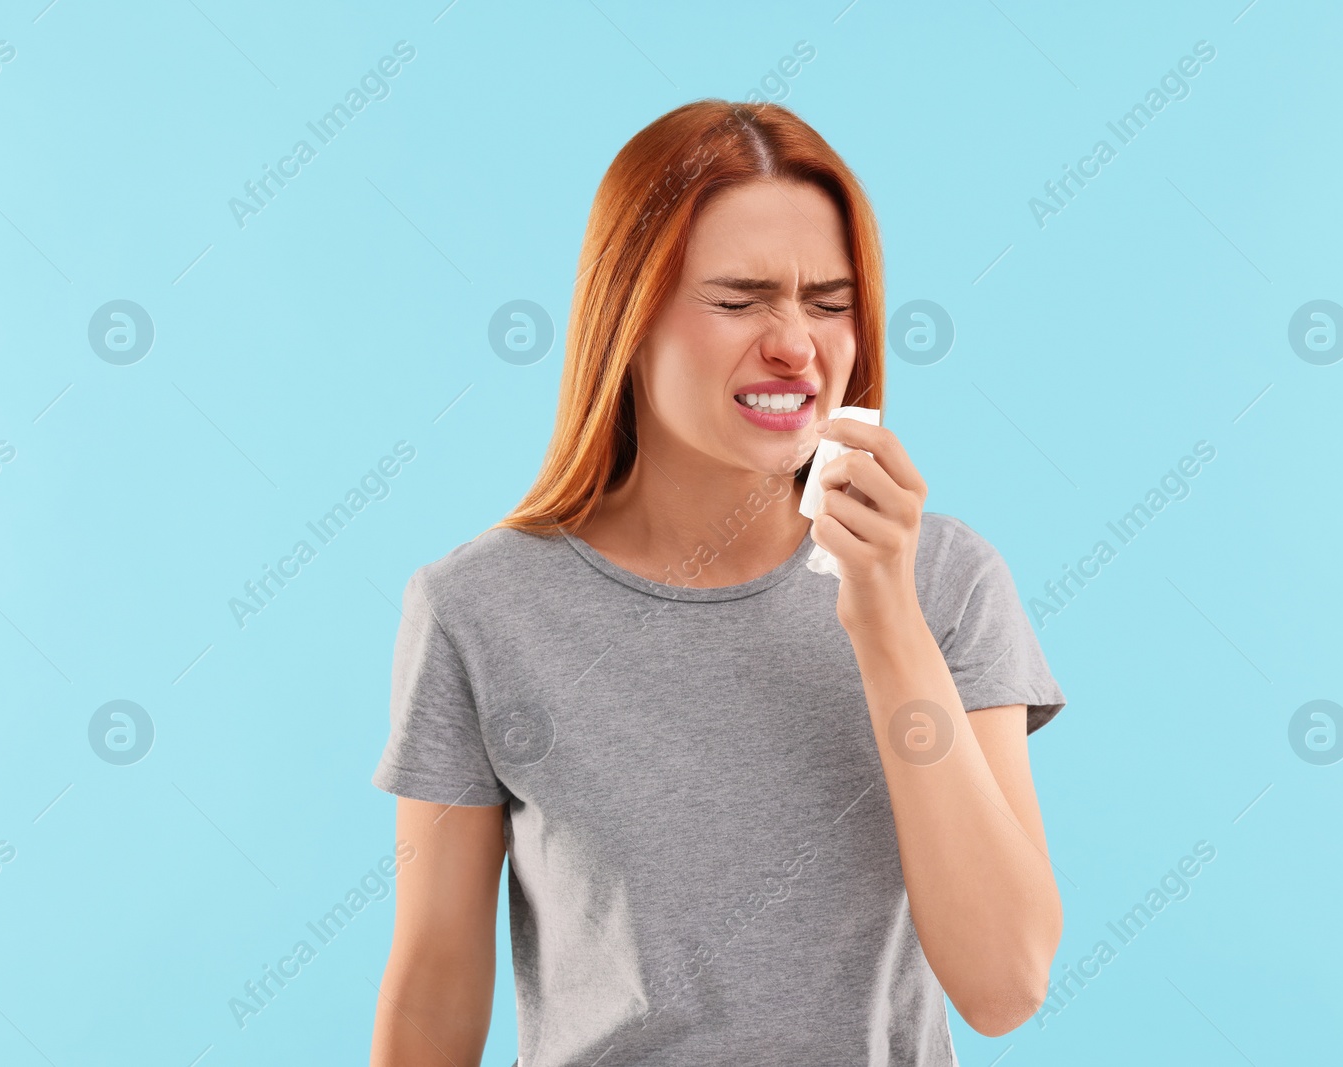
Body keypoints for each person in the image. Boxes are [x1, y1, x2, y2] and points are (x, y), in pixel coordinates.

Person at [368, 99, 1067, 1066]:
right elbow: (433, 996)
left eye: (828, 302)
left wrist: (886, 621)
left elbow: (1005, 983)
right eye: (738, 301)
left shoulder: (945, 581)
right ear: (627, 314)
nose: (796, 344)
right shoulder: (479, 609)